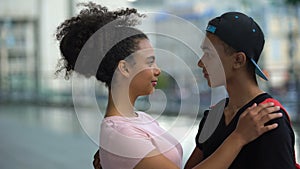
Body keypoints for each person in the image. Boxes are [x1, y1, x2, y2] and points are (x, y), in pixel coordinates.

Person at [55, 3, 282, 169]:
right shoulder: (120, 134)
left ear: (239, 60)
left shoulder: (140, 120)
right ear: (124, 68)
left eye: (208, 54)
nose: (158, 70)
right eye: (150, 61)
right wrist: (239, 137)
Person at [185, 12, 298, 169]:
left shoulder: (269, 118)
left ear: (238, 60)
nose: (200, 63)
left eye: (209, 54)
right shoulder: (214, 115)